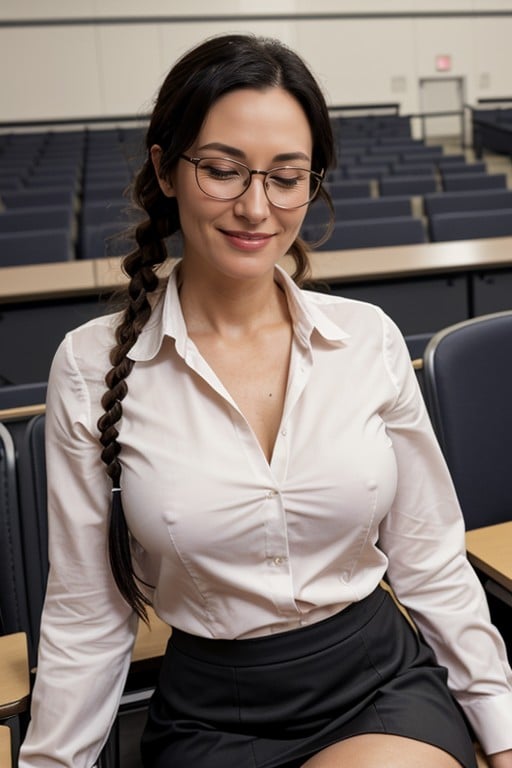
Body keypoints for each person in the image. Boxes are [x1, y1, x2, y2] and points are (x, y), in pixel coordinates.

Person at [18, 33, 512, 768]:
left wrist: (501, 734)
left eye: (287, 177)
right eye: (223, 171)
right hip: (212, 711)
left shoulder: (367, 339)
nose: (257, 207)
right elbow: (88, 615)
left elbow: (431, 562)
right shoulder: (91, 368)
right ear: (166, 168)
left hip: (377, 684)